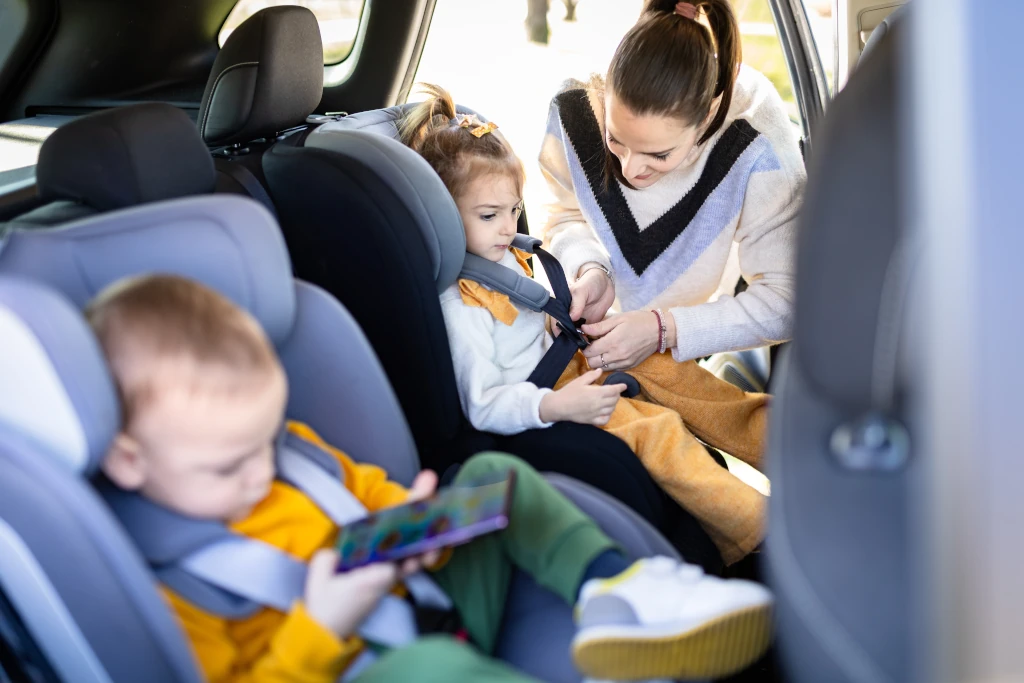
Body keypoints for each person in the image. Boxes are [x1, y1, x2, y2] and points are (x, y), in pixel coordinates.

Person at [85, 273, 774, 683]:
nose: (260, 472)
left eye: (266, 441)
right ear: (127, 458)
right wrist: (322, 626)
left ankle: (618, 588)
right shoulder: (168, 586)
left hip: (411, 585)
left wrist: (409, 518)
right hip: (351, 661)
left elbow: (359, 487)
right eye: (227, 466)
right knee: (429, 671)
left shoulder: (281, 450)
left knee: (492, 474)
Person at [404, 85, 770, 565]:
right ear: (442, 218)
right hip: (549, 394)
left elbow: (522, 323)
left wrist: (555, 325)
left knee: (675, 370)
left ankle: (783, 445)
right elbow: (484, 403)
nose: (507, 226)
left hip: (570, 358)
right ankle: (753, 528)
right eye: (489, 215)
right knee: (657, 430)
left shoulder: (501, 255)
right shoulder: (461, 306)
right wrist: (557, 405)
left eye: (514, 209)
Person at [540, 0, 805, 371]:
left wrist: (664, 329)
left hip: (704, 342)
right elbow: (565, 214)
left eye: (659, 155)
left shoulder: (755, 140)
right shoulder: (575, 110)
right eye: (615, 140)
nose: (630, 170)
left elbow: (788, 299)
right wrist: (590, 268)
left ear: (707, 118)